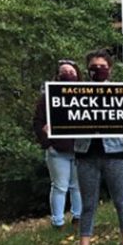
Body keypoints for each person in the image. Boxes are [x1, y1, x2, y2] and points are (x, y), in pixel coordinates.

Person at [74, 50, 123, 245]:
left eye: (102, 66)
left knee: (122, 201)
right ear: (87, 69)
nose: (98, 70)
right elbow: (65, 117)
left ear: (110, 69)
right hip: (86, 153)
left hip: (117, 152)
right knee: (88, 203)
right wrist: (52, 127)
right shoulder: (75, 93)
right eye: (94, 66)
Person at [33, 59, 82, 229]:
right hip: (57, 150)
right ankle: (58, 221)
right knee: (60, 186)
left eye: (72, 72)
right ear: (58, 75)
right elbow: (38, 122)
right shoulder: (47, 97)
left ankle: (78, 217)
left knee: (77, 186)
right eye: (65, 72)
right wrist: (47, 141)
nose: (69, 75)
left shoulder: (85, 95)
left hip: (79, 149)